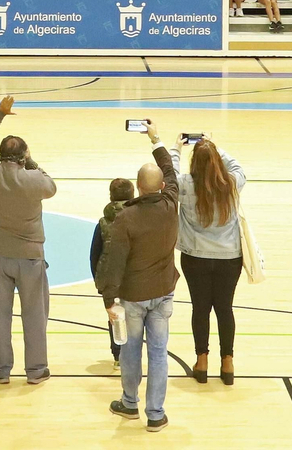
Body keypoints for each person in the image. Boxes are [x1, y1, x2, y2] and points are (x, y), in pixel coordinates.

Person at [99, 118, 180, 433]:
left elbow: (114, 261)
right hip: (163, 292)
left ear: (137, 184)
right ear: (160, 187)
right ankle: (156, 414)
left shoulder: (126, 217)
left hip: (133, 296)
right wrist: (156, 138)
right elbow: (172, 172)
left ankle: (130, 403)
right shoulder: (171, 203)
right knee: (159, 352)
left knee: (132, 348)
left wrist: (109, 298)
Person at [0, 94, 57, 384]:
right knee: (34, 315)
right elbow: (51, 186)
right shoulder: (34, 179)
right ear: (23, 157)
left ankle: (1, 370)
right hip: (31, 257)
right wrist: (31, 160)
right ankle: (35, 371)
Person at [176, 136, 246, 385]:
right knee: (225, 308)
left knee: (201, 308)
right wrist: (215, 148)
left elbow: (169, 176)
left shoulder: (184, 184)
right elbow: (239, 167)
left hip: (195, 257)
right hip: (229, 257)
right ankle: (227, 362)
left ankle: (202, 360)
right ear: (217, 162)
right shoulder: (230, 183)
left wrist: (176, 149)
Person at [90, 178, 136, 369]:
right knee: (136, 316)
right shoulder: (138, 219)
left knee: (115, 317)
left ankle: (118, 356)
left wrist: (100, 281)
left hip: (110, 279)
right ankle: (134, 354)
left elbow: (94, 255)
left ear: (110, 197)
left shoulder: (102, 223)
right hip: (134, 276)